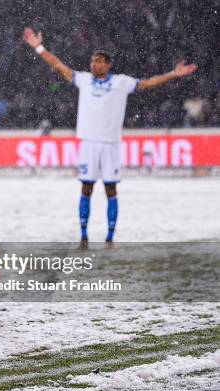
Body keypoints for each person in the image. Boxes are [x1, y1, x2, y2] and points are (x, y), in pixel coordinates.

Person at [23, 27, 197, 247]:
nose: (94, 64)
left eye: (99, 61)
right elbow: (58, 66)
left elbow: (146, 83)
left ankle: (110, 237)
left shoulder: (120, 82)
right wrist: (39, 47)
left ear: (108, 65)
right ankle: (84, 235)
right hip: (88, 143)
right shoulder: (83, 80)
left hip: (110, 144)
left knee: (110, 190)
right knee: (86, 188)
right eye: (93, 61)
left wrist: (173, 74)